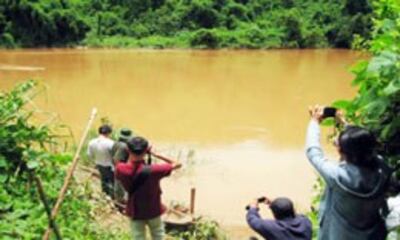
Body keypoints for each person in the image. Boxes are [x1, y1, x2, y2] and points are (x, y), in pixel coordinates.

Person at [306, 105, 391, 240]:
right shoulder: (382, 168)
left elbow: (313, 153)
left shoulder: (337, 177)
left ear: (340, 151)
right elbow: (363, 143)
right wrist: (343, 122)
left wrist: (314, 122)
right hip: (372, 235)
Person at [115, 136, 182, 240]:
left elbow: (120, 162)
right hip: (153, 209)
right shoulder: (155, 170)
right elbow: (177, 164)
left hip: (135, 210)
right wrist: (157, 154)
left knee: (138, 237)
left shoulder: (121, 169)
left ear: (128, 150)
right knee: (158, 235)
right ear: (146, 151)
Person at [246, 196, 312, 240]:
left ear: (274, 215)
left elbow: (252, 220)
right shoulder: (306, 222)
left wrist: (253, 207)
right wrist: (274, 204)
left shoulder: (275, 229)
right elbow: (296, 214)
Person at [87, 124, 115, 198]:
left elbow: (89, 155)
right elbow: (114, 156)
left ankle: (104, 194)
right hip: (109, 166)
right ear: (109, 133)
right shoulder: (111, 143)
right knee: (112, 181)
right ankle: (112, 196)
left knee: (103, 179)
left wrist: (95, 161)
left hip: (99, 164)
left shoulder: (91, 142)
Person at [112, 128, 133, 207]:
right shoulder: (123, 147)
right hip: (120, 169)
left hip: (117, 168)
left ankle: (119, 201)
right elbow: (117, 159)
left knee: (118, 185)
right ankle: (120, 203)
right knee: (120, 186)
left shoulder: (116, 143)